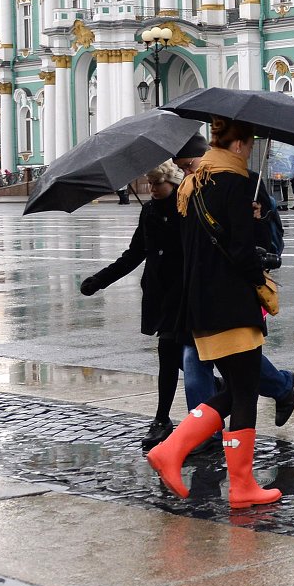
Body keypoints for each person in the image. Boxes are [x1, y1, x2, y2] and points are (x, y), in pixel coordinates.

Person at [146, 117, 283, 509]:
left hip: (201, 305)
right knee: (245, 393)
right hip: (233, 305)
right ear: (239, 144)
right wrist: (259, 272)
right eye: (250, 142)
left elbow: (200, 247)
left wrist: (248, 219)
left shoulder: (191, 185)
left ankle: (172, 451)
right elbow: (241, 252)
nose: (251, 149)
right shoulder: (235, 183)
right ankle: (240, 485)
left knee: (237, 387)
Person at [172, 135, 294, 428]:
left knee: (237, 386)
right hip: (216, 298)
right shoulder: (189, 191)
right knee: (239, 388)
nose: (187, 174)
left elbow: (265, 241)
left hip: (221, 299)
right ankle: (279, 389)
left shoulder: (243, 182)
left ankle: (195, 440)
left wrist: (256, 220)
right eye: (182, 169)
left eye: (188, 166)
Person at [79, 161, 185, 449]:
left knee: (178, 355)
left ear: (173, 184)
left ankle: (166, 418)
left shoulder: (188, 208)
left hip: (185, 292)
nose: (152, 189)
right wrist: (99, 280)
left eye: (157, 184)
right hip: (159, 293)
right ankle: (167, 417)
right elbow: (134, 254)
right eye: (149, 184)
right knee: (174, 356)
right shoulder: (149, 210)